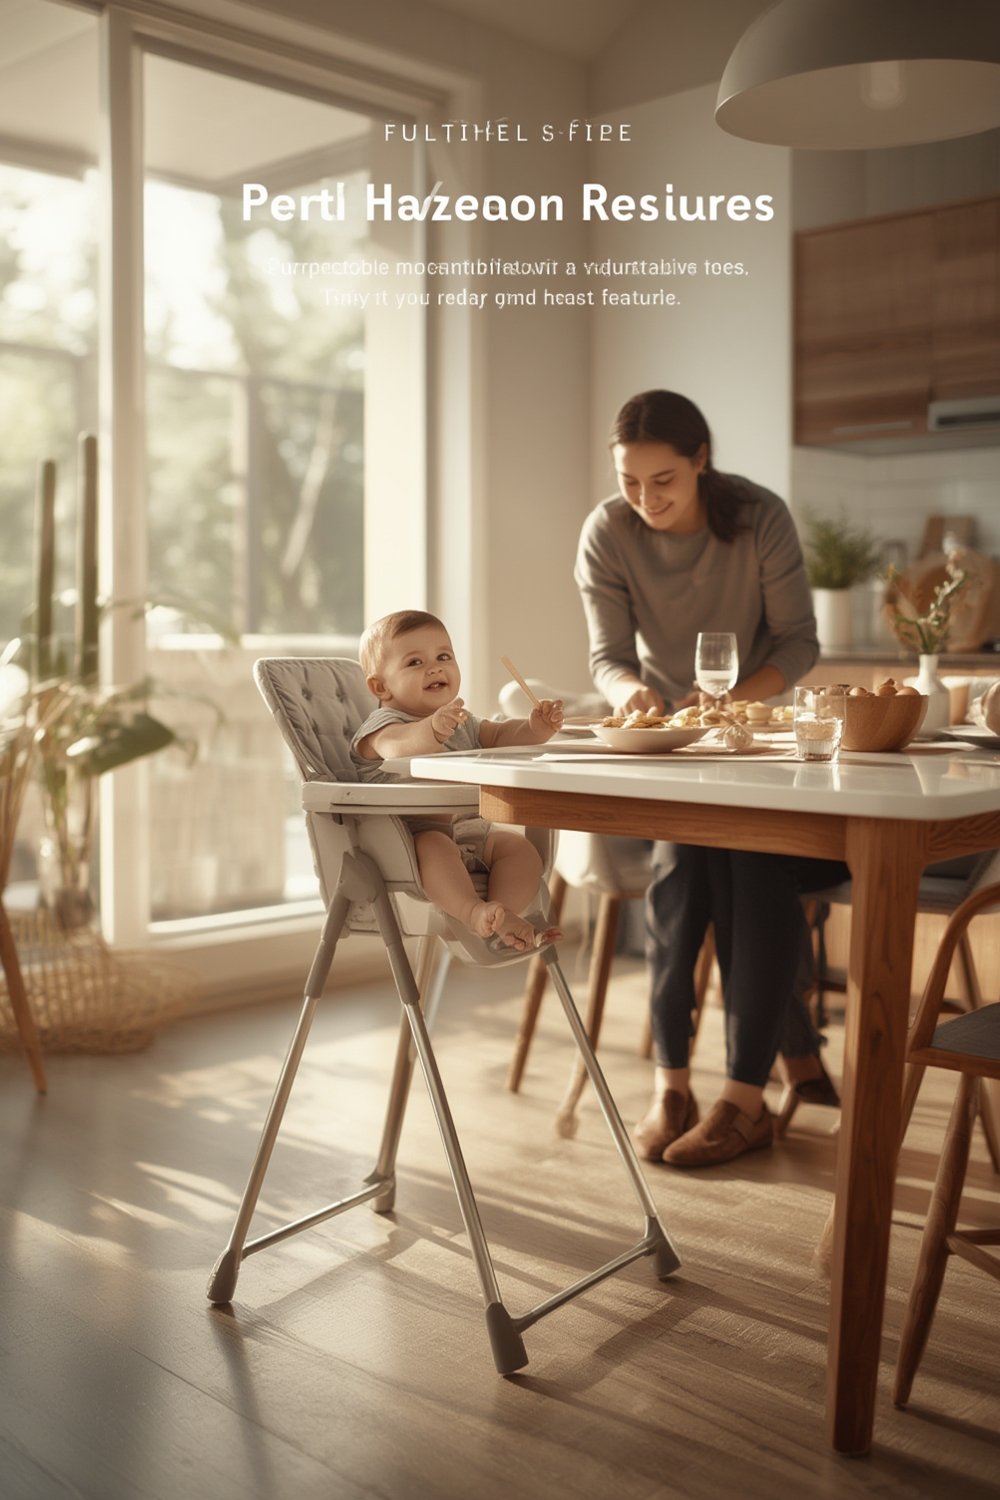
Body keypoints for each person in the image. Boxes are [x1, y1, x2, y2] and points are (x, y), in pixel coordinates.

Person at [575, 389, 846, 1168]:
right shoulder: (608, 532)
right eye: (629, 481)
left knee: (749, 862)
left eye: (662, 479)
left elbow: (798, 643)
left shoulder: (759, 518)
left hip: (752, 740)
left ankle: (741, 1099)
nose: (645, 498)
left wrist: (731, 700)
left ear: (701, 460)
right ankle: (676, 1089)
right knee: (682, 871)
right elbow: (607, 657)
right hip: (671, 747)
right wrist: (630, 690)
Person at [352, 609, 564, 952]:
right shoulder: (382, 726)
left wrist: (534, 728)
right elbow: (398, 746)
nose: (435, 668)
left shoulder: (462, 723)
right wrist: (432, 730)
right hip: (411, 840)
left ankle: (502, 913)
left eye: (443, 657)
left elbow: (499, 735)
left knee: (520, 850)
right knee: (434, 847)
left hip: (471, 831)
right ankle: (473, 912)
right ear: (381, 687)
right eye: (415, 662)